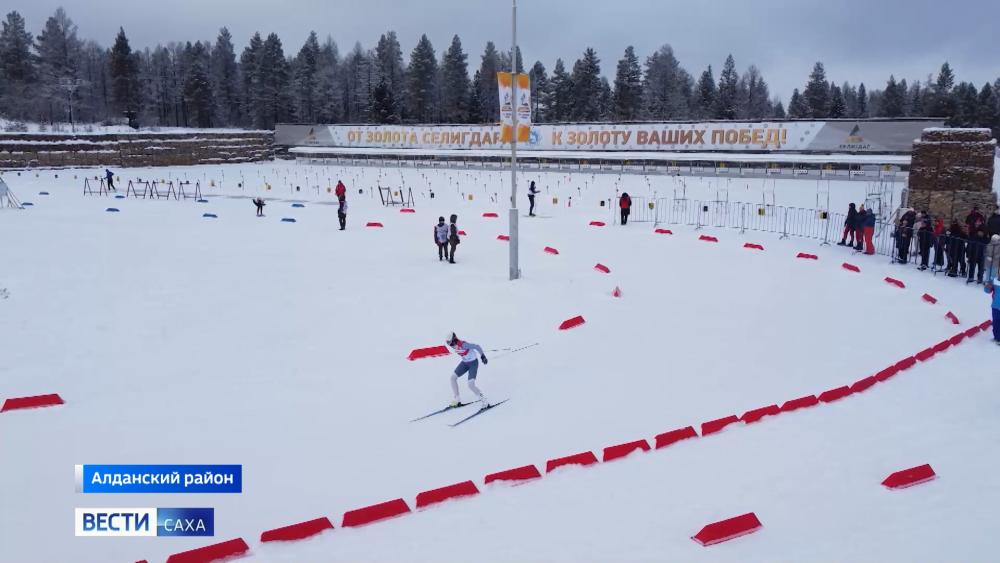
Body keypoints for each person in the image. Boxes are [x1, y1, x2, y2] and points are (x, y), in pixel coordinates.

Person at [446, 332, 489, 406]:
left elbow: (477, 346)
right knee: (452, 378)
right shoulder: (454, 346)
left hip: (473, 363)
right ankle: (457, 399)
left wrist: (483, 356)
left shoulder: (463, 345)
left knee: (470, 384)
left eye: (450, 343)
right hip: (465, 363)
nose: (450, 345)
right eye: (448, 344)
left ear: (454, 340)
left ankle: (484, 401)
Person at [985, 276, 1000, 344]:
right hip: (996, 306)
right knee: (996, 323)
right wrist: (988, 286)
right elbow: (987, 291)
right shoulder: (995, 280)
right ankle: (997, 338)